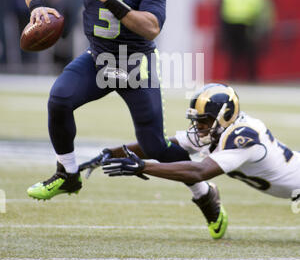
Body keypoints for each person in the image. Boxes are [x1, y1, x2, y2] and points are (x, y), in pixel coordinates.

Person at [25, 0, 192, 202]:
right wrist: (37, 8)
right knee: (59, 99)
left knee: (154, 147)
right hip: (97, 59)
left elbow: (152, 26)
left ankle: (204, 189)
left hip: (134, 66)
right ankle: (67, 175)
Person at [79, 83, 300, 236]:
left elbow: (199, 172)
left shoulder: (244, 137)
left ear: (223, 117)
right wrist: (111, 152)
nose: (197, 128)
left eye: (203, 121)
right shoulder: (221, 129)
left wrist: (143, 167)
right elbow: (164, 145)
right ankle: (206, 197)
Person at [218, 0, 275, 82]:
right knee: (233, 53)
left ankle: (252, 79)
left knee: (251, 53)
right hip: (231, 23)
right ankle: (232, 78)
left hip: (249, 24)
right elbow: (221, 7)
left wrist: (263, 24)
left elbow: (264, 7)